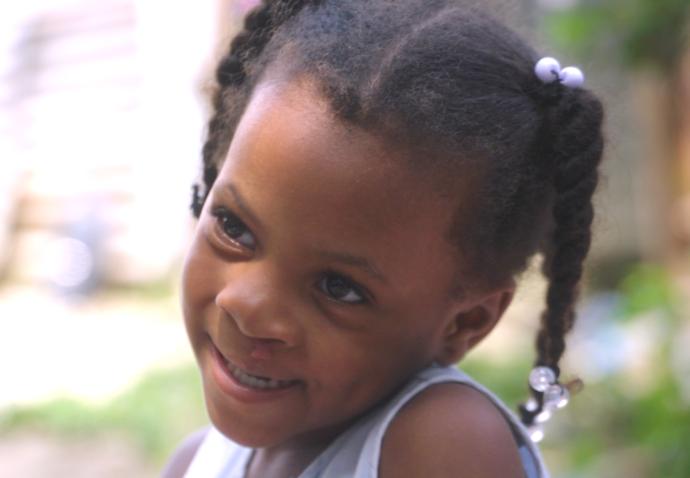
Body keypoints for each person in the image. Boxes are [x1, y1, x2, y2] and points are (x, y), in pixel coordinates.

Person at [162, 0, 604, 476]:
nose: (247, 305)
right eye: (234, 227)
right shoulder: (195, 462)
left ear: (464, 323)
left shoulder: (446, 441)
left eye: (338, 287)